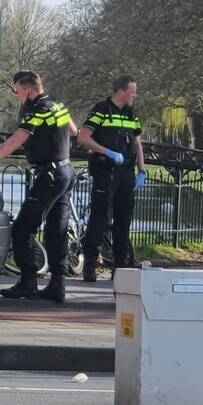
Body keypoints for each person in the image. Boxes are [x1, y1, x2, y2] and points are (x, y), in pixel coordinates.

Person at [0, 71, 77, 303]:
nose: (18, 98)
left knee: (23, 229)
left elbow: (17, 139)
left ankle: (28, 282)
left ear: (28, 91)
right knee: (56, 231)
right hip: (66, 172)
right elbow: (73, 131)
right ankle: (58, 285)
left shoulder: (36, 110)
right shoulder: (59, 106)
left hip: (50, 175)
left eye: (18, 92)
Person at [75, 75, 146, 282]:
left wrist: (142, 170)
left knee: (124, 220)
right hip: (106, 171)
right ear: (122, 91)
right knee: (100, 217)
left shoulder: (131, 114)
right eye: (133, 91)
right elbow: (83, 137)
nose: (135, 95)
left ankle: (121, 267)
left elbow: (137, 143)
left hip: (126, 173)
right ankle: (90, 263)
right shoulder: (102, 110)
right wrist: (107, 152)